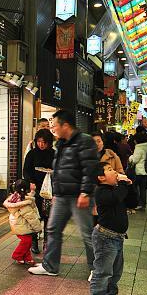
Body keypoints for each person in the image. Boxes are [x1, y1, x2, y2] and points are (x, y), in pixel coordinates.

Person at [29, 110, 99, 277]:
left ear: (65, 125)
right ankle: (50, 266)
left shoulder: (85, 141)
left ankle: (97, 269)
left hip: (78, 195)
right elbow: (59, 170)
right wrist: (56, 192)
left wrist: (85, 192)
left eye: (55, 126)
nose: (52, 129)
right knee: (53, 229)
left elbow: (90, 168)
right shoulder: (61, 143)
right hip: (61, 196)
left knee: (87, 233)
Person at [88, 162, 131, 295]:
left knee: (115, 271)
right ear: (101, 177)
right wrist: (124, 184)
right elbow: (115, 198)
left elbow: (132, 201)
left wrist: (129, 186)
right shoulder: (101, 191)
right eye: (110, 170)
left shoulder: (115, 189)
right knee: (103, 271)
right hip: (105, 237)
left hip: (118, 238)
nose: (115, 172)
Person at [4, 179, 42, 265]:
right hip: (22, 225)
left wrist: (32, 190)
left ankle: (27, 257)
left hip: (19, 224)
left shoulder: (16, 197)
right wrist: (38, 228)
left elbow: (29, 196)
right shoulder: (24, 203)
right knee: (27, 241)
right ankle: (17, 255)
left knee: (27, 241)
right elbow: (31, 218)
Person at [129, 133, 147, 210]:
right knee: (143, 189)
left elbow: (134, 160)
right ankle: (143, 203)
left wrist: (131, 157)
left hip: (139, 171)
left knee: (136, 188)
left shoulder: (138, 148)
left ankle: (139, 203)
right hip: (146, 171)